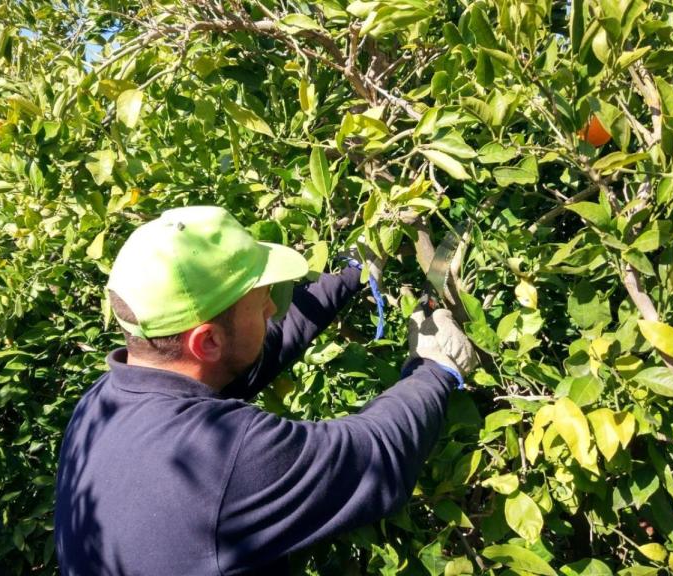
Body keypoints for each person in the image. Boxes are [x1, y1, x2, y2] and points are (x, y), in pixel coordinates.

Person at [55, 206, 478, 576]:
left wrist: (354, 271)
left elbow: (253, 351)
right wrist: (434, 367)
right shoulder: (224, 457)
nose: (273, 308)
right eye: (261, 304)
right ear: (207, 341)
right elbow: (377, 457)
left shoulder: (100, 404)